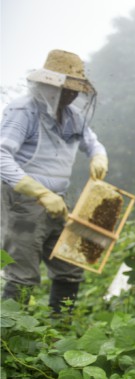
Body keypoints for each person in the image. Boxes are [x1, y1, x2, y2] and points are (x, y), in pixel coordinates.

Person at [1, 49, 109, 312]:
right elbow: (2, 155)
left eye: (77, 89)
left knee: (70, 269)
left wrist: (98, 157)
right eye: (68, 88)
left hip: (58, 202)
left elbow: (92, 142)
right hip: (22, 203)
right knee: (22, 276)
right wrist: (40, 193)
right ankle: (9, 342)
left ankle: (59, 337)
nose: (72, 94)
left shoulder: (72, 115)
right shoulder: (23, 110)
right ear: (49, 85)